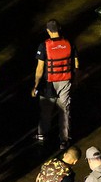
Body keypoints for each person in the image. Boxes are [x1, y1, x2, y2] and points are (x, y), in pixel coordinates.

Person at [32, 19, 78, 148]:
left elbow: (40, 68)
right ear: (60, 28)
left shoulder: (44, 46)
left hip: (49, 83)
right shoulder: (69, 43)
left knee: (45, 111)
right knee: (64, 111)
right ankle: (64, 140)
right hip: (65, 81)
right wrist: (75, 80)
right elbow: (76, 64)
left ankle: (42, 134)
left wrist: (35, 84)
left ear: (48, 31)